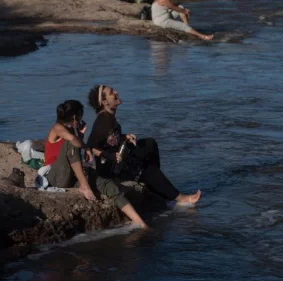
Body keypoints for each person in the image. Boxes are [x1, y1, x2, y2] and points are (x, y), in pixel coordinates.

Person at [86, 85, 203, 208]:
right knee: (145, 169)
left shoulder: (108, 116)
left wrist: (124, 137)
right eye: (111, 92)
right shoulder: (103, 120)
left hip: (118, 157)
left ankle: (155, 187)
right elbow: (90, 146)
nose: (116, 92)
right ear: (104, 102)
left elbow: (108, 137)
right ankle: (180, 198)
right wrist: (109, 155)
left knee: (149, 144)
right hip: (112, 168)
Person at [45, 100, 148, 228]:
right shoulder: (58, 128)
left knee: (108, 185)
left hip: (71, 175)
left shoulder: (71, 131)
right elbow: (73, 143)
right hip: (55, 175)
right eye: (81, 116)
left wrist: (81, 136)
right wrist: (86, 146)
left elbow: (75, 148)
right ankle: (84, 185)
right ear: (74, 117)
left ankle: (140, 223)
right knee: (72, 143)